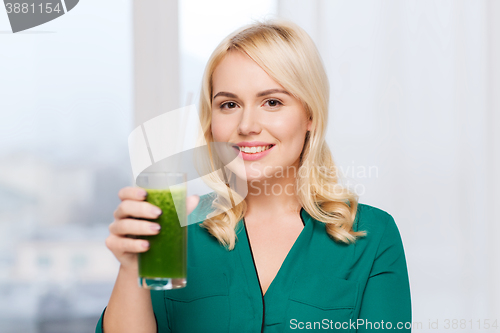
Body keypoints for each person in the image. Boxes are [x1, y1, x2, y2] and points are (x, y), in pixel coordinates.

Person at [96, 19, 412, 333]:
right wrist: (131, 268)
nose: (247, 125)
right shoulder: (173, 225)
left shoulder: (372, 235)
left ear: (310, 116)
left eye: (272, 102)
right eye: (229, 104)